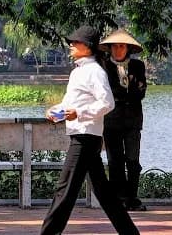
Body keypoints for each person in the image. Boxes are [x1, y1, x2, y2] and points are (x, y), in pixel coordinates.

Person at [40, 25, 140, 235]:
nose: (71, 45)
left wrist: (80, 113)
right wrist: (55, 110)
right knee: (105, 194)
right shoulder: (80, 71)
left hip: (85, 138)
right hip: (84, 136)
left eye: (75, 42)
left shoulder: (94, 71)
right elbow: (71, 104)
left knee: (64, 190)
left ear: (87, 47)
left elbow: (107, 103)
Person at [99, 28, 148, 211]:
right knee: (115, 161)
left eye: (122, 46)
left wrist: (126, 93)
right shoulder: (103, 66)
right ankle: (117, 199)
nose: (119, 50)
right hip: (111, 120)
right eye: (115, 46)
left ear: (128, 48)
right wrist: (129, 90)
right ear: (110, 48)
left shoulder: (138, 66)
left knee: (133, 160)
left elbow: (141, 93)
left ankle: (132, 198)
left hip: (133, 120)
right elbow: (108, 93)